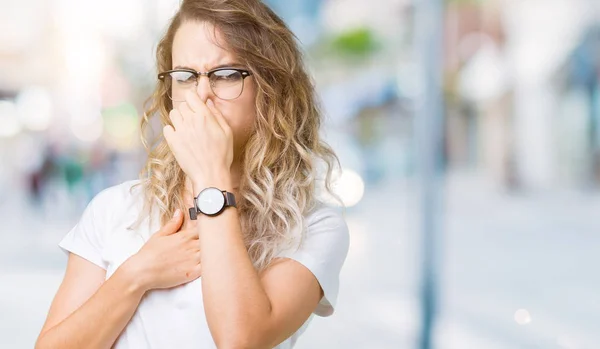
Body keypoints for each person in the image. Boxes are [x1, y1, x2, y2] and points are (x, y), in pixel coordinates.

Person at [35, 1, 350, 348]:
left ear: (271, 89)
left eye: (227, 74)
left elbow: (241, 340)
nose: (202, 94)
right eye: (185, 76)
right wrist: (136, 274)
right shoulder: (115, 208)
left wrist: (212, 179)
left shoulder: (312, 227)